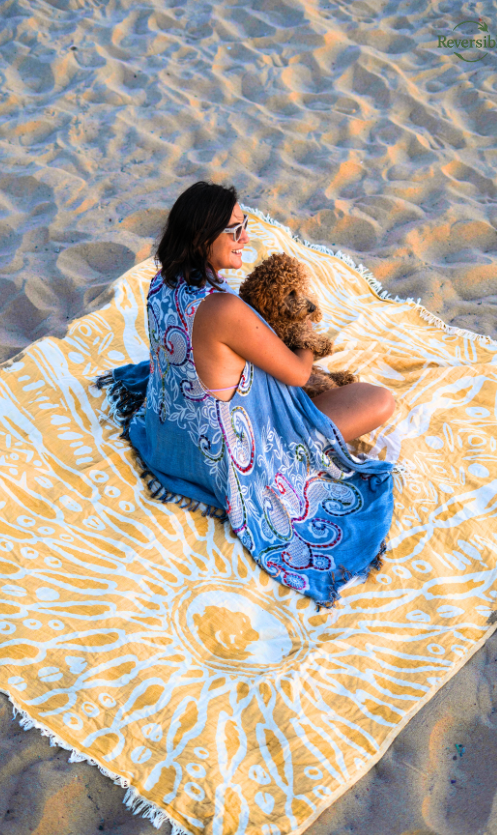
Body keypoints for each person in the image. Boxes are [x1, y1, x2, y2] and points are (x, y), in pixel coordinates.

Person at [97, 181, 397, 607]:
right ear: (203, 239)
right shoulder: (224, 310)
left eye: (245, 226)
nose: (245, 239)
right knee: (378, 400)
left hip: (170, 439)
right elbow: (295, 373)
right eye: (234, 231)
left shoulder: (160, 283)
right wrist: (304, 334)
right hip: (225, 460)